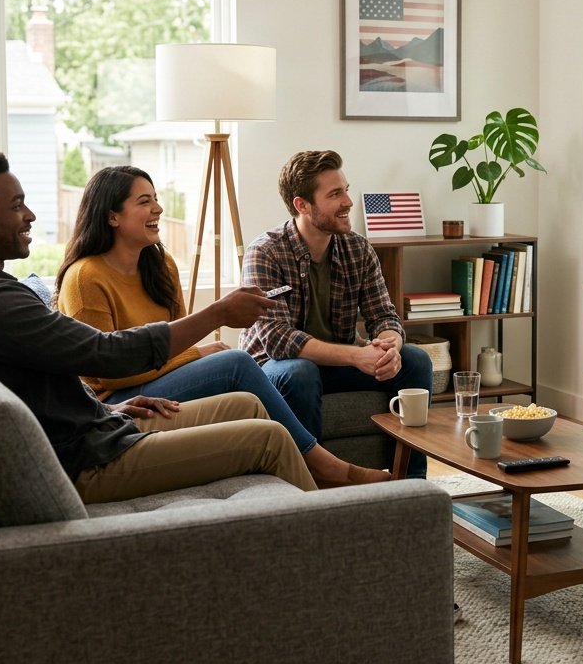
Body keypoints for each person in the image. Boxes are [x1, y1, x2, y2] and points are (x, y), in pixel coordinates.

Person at [0, 149, 316, 503]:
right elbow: (105, 354)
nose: (30, 215)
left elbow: (47, 376)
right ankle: (336, 536)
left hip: (97, 427)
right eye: (16, 206)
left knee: (244, 404)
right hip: (87, 460)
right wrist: (218, 314)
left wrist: (105, 409)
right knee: (269, 437)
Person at [55, 165, 388, 487]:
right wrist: (198, 354)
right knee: (235, 362)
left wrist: (191, 355)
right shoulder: (85, 278)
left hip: (158, 379)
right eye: (144, 202)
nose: (158, 207)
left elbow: (175, 344)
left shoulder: (161, 266)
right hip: (118, 398)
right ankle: (325, 466)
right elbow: (110, 372)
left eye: (155, 198)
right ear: (112, 216)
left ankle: (406, 477)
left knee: (232, 365)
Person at [239, 150, 432, 478]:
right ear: (303, 205)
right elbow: (277, 339)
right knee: (299, 372)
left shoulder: (357, 248)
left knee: (416, 360)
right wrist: (357, 357)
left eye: (345, 189)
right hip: (276, 368)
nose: (348, 201)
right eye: (335, 194)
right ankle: (311, 486)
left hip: (337, 365)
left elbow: (384, 315)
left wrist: (389, 348)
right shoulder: (266, 252)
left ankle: (411, 484)